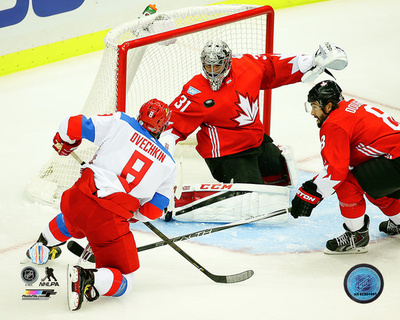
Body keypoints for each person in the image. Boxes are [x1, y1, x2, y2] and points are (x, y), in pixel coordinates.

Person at [26, 99, 176, 311]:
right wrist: (132, 214)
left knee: (72, 219)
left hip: (77, 199)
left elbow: (70, 126)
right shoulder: (169, 164)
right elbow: (153, 210)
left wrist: (67, 143)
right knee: (126, 278)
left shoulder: (120, 121)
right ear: (164, 126)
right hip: (109, 222)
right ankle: (88, 278)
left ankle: (41, 246)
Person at [160, 40, 348, 185]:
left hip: (255, 140)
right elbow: (173, 122)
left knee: (281, 176)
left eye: (216, 66)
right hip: (225, 155)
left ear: (227, 62)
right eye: (208, 66)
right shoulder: (195, 91)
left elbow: (274, 67)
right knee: (254, 196)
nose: (212, 71)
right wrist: (163, 148)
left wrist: (309, 62)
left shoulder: (246, 67)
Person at [291, 80, 400, 254]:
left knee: (348, 183)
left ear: (328, 106)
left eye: (314, 106)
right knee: (370, 183)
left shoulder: (334, 123)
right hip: (394, 157)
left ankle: (356, 235)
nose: (312, 112)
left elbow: (336, 173)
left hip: (396, 160)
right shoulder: (351, 106)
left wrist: (310, 194)